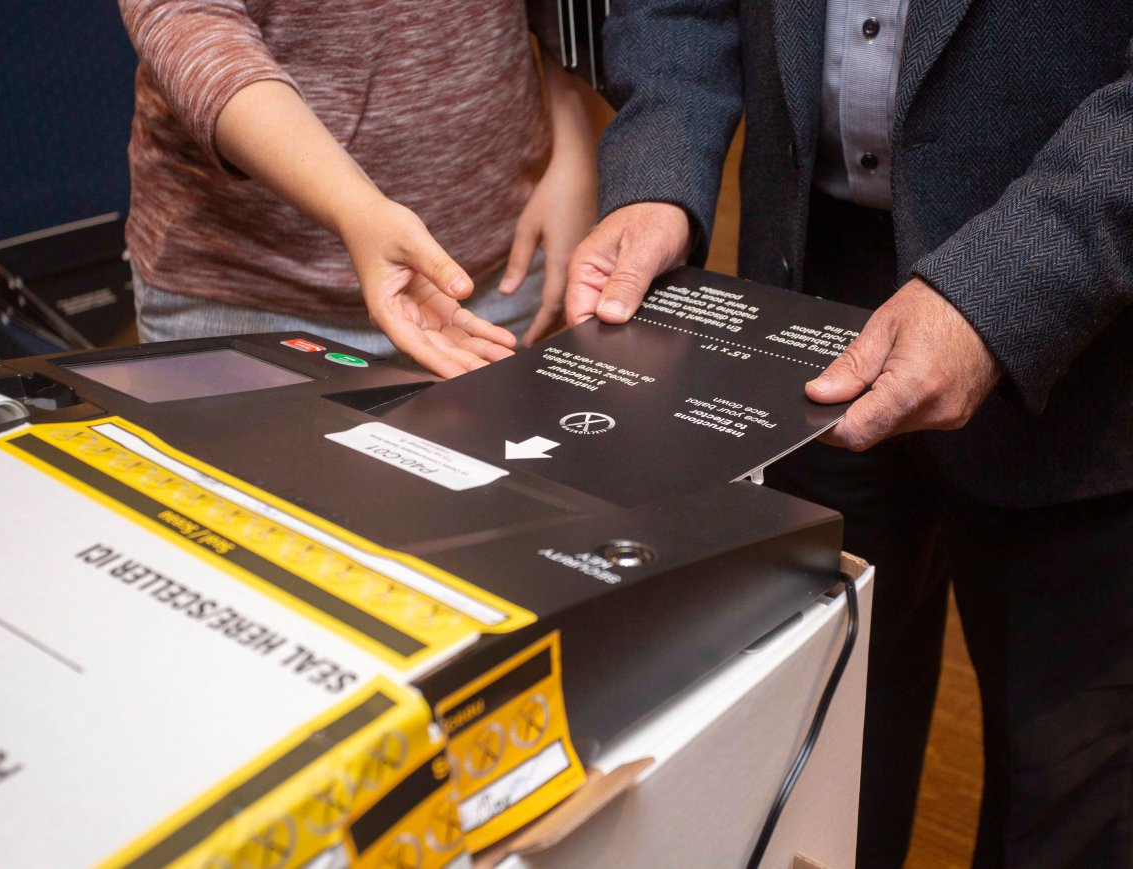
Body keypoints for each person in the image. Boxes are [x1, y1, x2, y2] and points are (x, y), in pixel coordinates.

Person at [566, 2, 1133, 866]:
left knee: (1068, 794)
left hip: (1086, 355)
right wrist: (658, 172)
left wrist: (999, 287)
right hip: (803, 305)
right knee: (823, 752)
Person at [120, 0, 597, 379]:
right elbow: (186, 20)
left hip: (497, 276)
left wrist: (575, 145)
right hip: (243, 296)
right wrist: (357, 210)